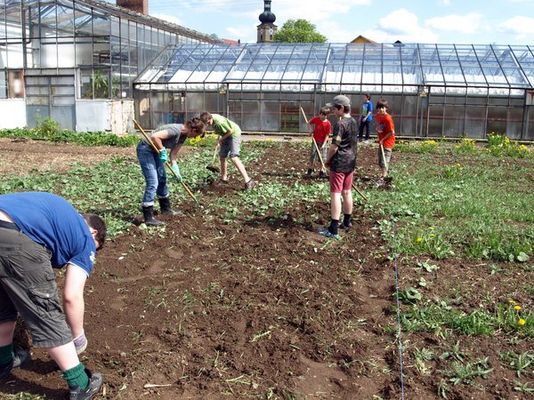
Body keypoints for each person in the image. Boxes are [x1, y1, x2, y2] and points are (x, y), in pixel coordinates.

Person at [0, 192, 107, 400]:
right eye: (97, 248)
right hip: (14, 236)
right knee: (45, 310)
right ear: (94, 232)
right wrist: (78, 337)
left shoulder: (58, 214)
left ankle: (3, 362)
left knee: (3, 305)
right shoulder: (85, 238)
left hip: (7, 223)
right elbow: (71, 296)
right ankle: (80, 383)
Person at [137, 118, 205, 226]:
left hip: (156, 151)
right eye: (196, 135)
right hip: (146, 149)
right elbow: (155, 137)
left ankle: (166, 209)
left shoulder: (183, 137)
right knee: (153, 182)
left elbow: (173, 155)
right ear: (194, 130)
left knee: (162, 178)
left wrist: (175, 169)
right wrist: (162, 150)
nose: (195, 137)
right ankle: (148, 217)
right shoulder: (175, 130)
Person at [319, 95, 358, 239]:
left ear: (342, 108)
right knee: (347, 192)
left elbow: (334, 146)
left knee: (335, 194)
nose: (333, 111)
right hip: (351, 161)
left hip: (340, 162)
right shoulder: (353, 121)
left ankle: (333, 229)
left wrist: (327, 160)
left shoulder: (340, 124)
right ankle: (347, 222)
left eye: (335, 108)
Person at [199, 112, 256, 190]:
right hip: (225, 135)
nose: (208, 124)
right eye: (206, 123)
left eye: (208, 122)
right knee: (222, 156)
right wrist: (220, 138)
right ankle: (224, 178)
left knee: (233, 157)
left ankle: (248, 180)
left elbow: (230, 131)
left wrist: (221, 140)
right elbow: (221, 130)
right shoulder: (210, 117)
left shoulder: (219, 122)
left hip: (234, 134)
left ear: (210, 118)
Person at [306, 107, 332, 179]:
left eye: (324, 115)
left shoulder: (328, 124)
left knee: (322, 157)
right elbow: (309, 123)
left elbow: (327, 135)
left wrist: (324, 144)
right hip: (315, 140)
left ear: (326, 115)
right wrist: (311, 131)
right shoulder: (316, 119)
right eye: (321, 114)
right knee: (312, 155)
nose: (322, 116)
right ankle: (310, 170)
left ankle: (322, 171)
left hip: (323, 142)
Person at [374, 100, 396, 185]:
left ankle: (384, 178)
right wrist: (379, 129)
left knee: (384, 161)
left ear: (386, 108)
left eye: (382, 108)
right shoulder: (378, 116)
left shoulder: (388, 118)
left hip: (387, 142)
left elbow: (392, 132)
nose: (381, 109)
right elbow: (381, 126)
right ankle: (384, 175)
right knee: (380, 161)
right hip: (381, 141)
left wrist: (383, 139)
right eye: (379, 108)